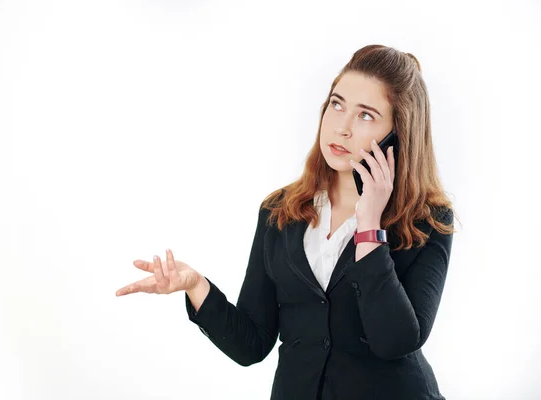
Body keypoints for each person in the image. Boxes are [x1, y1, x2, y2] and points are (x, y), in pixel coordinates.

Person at [116, 44, 456, 400]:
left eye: (366, 115)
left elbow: (395, 341)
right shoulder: (280, 211)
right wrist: (196, 286)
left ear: (398, 133)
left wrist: (370, 224)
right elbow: (252, 344)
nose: (341, 127)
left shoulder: (428, 222)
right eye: (336, 105)